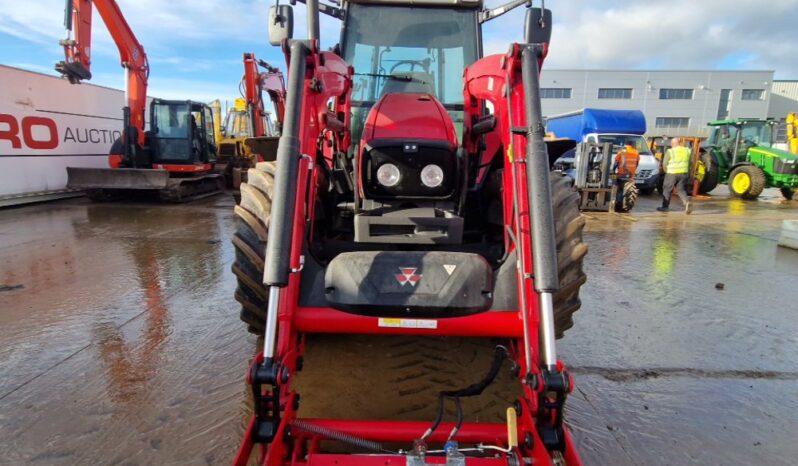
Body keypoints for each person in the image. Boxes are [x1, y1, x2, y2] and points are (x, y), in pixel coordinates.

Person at [658, 137, 692, 214]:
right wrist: (687, 172)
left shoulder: (670, 151)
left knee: (667, 189)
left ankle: (665, 207)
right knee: (680, 189)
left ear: (673, 144)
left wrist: (665, 171)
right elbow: (690, 162)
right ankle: (686, 202)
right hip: (683, 173)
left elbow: (664, 163)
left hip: (672, 173)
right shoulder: (687, 151)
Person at [614, 144, 640, 210]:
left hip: (621, 173)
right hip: (631, 175)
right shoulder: (636, 152)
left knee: (617, 187)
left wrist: (613, 170)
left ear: (626, 145)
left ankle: (617, 201)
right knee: (630, 189)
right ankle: (626, 205)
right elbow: (637, 163)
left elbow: (616, 162)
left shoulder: (621, 152)